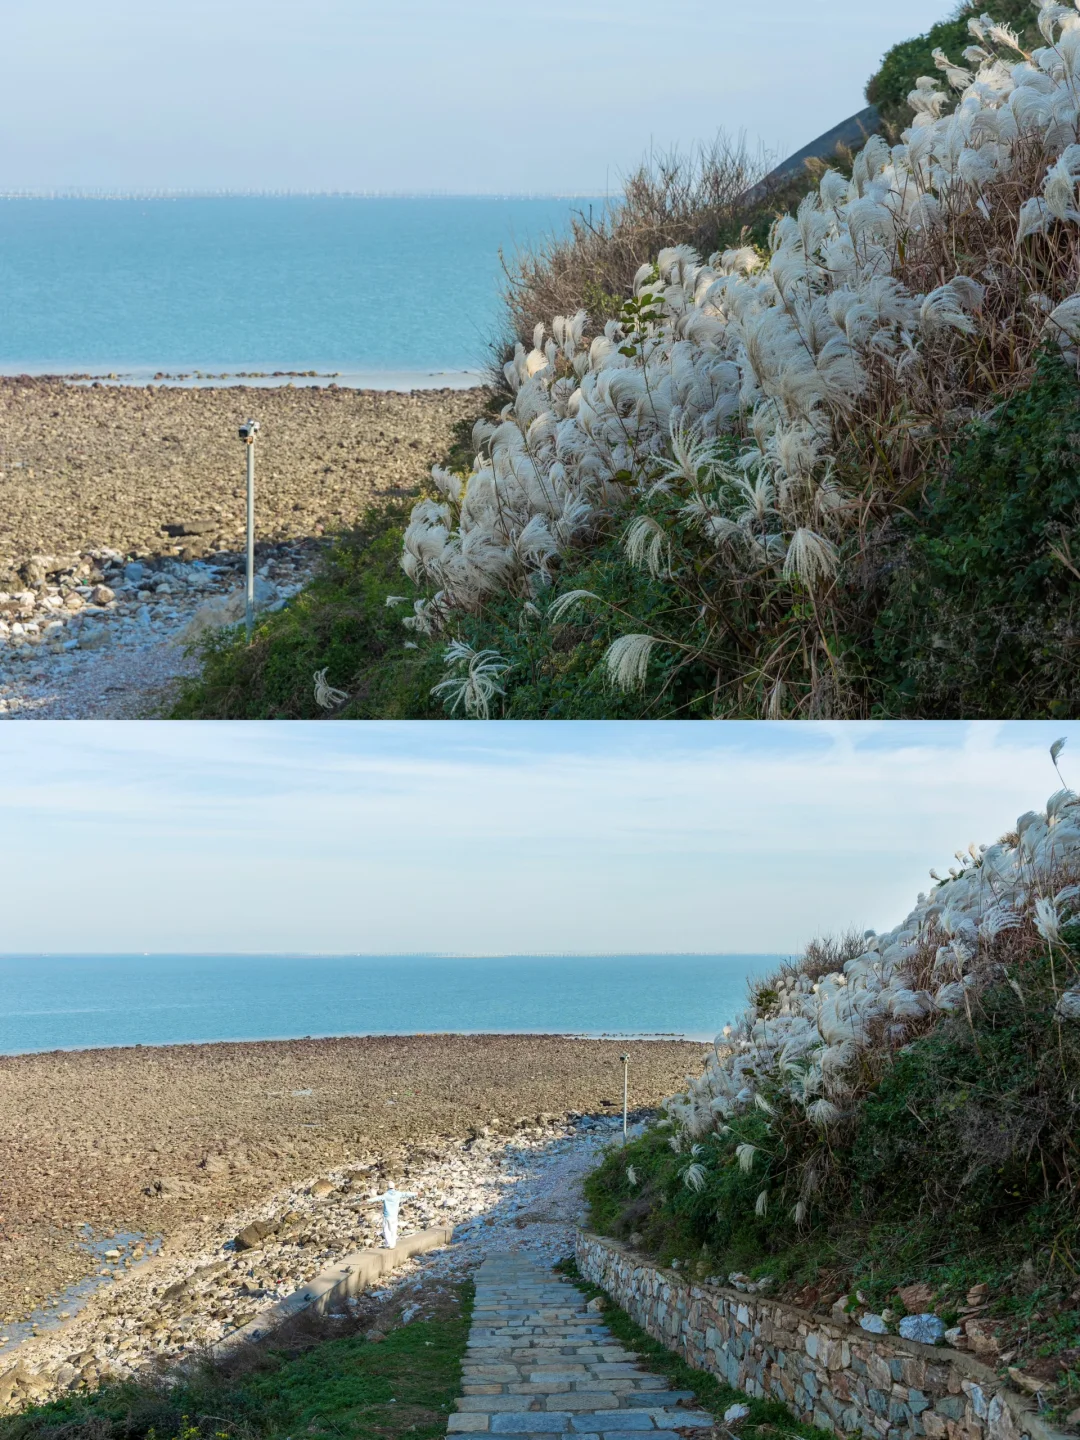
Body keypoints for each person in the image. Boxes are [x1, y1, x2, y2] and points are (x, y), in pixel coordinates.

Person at [369, 1180, 416, 1249]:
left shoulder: (386, 1195)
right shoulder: (398, 1194)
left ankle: (388, 1244)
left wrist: (368, 1200)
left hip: (387, 1216)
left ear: (387, 1187)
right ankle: (393, 1244)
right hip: (394, 1216)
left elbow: (377, 1198)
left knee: (386, 1230)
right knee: (393, 1230)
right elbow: (406, 1194)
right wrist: (416, 1193)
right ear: (394, 1187)